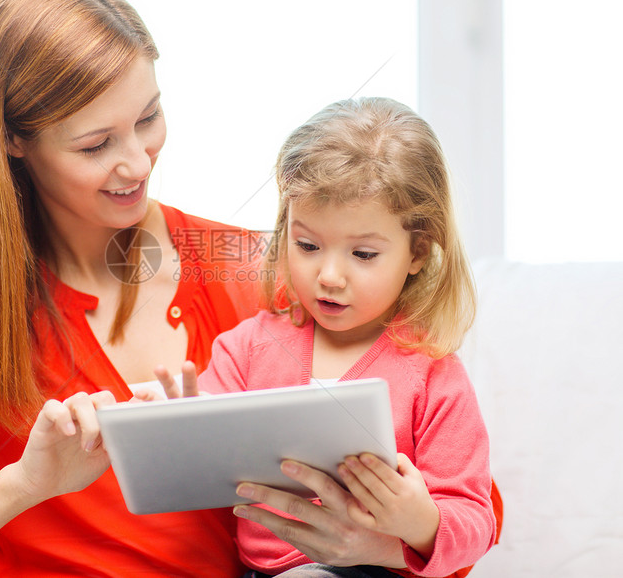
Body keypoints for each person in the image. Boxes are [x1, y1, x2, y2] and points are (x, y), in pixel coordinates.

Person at [0, 0, 429, 577]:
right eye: (95, 145)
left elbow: (459, 490)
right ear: (14, 140)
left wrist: (387, 545)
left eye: (148, 118)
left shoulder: (261, 270)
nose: (138, 164)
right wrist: (18, 488)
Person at [156, 97, 501, 577]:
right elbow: (201, 463)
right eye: (308, 246)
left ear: (418, 251)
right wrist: (180, 426)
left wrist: (420, 522)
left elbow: (475, 520)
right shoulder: (247, 348)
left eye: (362, 254)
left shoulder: (433, 373)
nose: (330, 276)